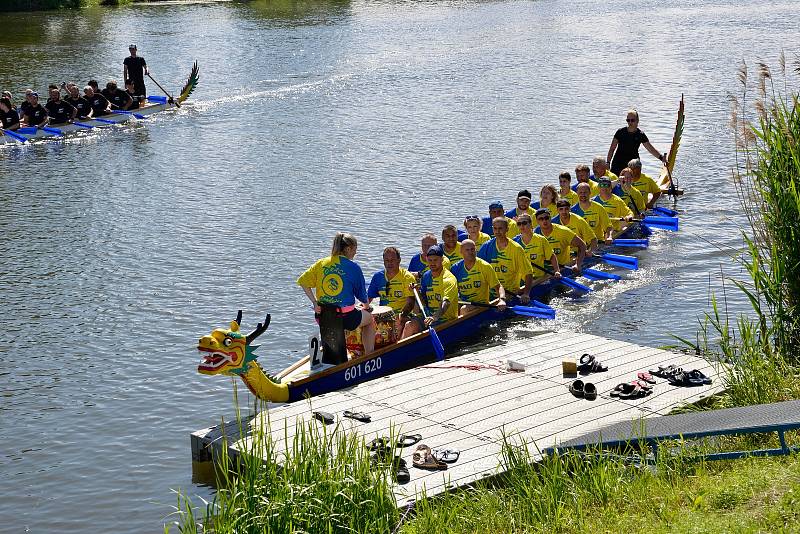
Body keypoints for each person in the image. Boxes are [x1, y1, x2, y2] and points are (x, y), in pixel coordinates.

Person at [297, 232, 376, 356]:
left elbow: (303, 281)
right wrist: (366, 307)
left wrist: (314, 302)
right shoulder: (353, 267)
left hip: (322, 316)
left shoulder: (321, 263)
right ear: (348, 248)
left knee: (333, 324)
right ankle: (369, 355)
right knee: (369, 320)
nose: (355, 253)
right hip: (346, 318)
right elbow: (361, 295)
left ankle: (329, 353)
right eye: (355, 249)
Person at [402, 245, 459, 338]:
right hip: (428, 316)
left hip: (445, 319)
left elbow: (446, 303)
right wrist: (416, 291)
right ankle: (401, 350)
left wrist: (435, 317)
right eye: (430, 260)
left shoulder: (449, 279)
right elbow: (424, 302)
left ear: (441, 260)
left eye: (435, 260)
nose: (432, 263)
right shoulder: (426, 276)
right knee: (409, 325)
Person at [477, 217, 533, 304]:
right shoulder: (486, 247)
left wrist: (526, 294)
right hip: (491, 293)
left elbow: (528, 273)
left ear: (507, 229)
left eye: (500, 228)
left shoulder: (516, 249)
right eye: (495, 228)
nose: (497, 231)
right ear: (492, 229)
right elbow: (478, 270)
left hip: (510, 293)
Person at [367, 247, 416, 338]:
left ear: (399, 260)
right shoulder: (377, 277)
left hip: (403, 315)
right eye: (387, 260)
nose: (389, 263)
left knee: (399, 324)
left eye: (392, 260)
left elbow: (410, 303)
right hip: (383, 317)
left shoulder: (407, 277)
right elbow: (368, 299)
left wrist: (401, 316)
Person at [451, 239, 506, 313]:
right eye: (467, 250)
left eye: (472, 249)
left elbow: (498, 286)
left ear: (476, 250)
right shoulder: (455, 268)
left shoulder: (485, 266)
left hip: (481, 305)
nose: (471, 252)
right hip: (464, 302)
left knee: (464, 309)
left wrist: (502, 300)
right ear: (461, 252)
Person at [607, 108, 667, 176]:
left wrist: (662, 158)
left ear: (637, 121)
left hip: (633, 164)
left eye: (632, 120)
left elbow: (650, 149)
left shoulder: (640, 134)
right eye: (628, 120)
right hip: (618, 162)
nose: (630, 122)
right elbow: (612, 149)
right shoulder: (620, 132)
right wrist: (608, 162)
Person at [534, 208, 586, 274]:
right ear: (537, 221)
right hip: (545, 270)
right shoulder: (536, 233)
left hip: (563, 268)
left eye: (546, 218)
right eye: (541, 219)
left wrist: (577, 264)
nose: (544, 221)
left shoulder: (563, 231)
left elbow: (582, 245)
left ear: (550, 218)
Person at [513, 213, 560, 285]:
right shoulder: (514, 241)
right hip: (521, 281)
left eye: (524, 223)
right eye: (519, 224)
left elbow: (552, 256)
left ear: (531, 224)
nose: (522, 226)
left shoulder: (541, 240)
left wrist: (557, 271)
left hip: (539, 279)